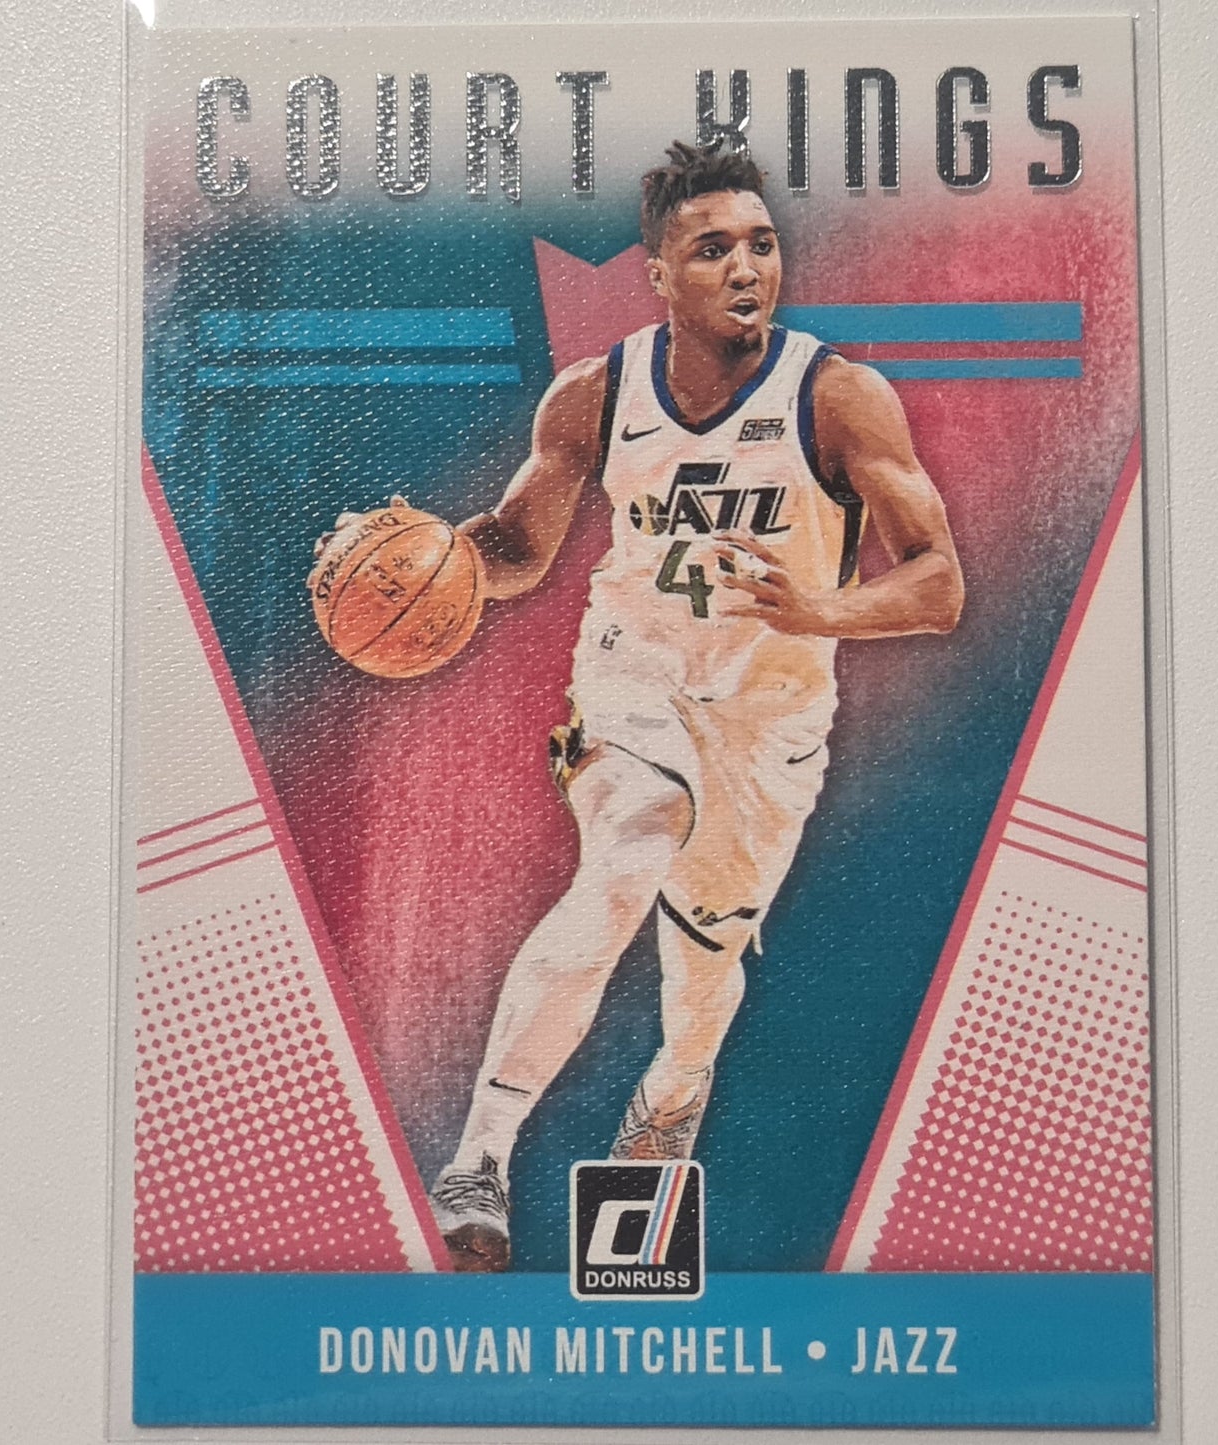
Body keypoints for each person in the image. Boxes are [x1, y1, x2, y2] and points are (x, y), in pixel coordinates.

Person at [423, 140, 963, 1272]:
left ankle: (668, 1096)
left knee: (702, 970)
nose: (745, 267)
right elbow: (520, 547)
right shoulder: (594, 394)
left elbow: (936, 583)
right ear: (659, 275)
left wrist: (819, 609)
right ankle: (480, 1154)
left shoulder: (838, 396)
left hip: (769, 718)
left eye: (760, 244)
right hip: (634, 672)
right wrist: (445, 563)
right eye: (711, 248)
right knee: (630, 845)